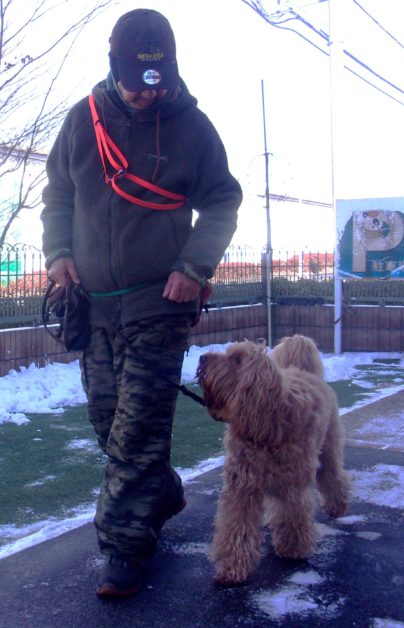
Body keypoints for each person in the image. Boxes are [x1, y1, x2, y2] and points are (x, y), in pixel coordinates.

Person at [41, 8, 242, 597]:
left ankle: (124, 549)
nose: (146, 92)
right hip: (94, 307)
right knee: (109, 425)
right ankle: (164, 491)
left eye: (156, 80)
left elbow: (222, 202)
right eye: (135, 80)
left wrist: (193, 267)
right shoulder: (82, 120)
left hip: (161, 307)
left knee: (137, 434)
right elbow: (57, 196)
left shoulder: (193, 127)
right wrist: (58, 254)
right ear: (114, 66)